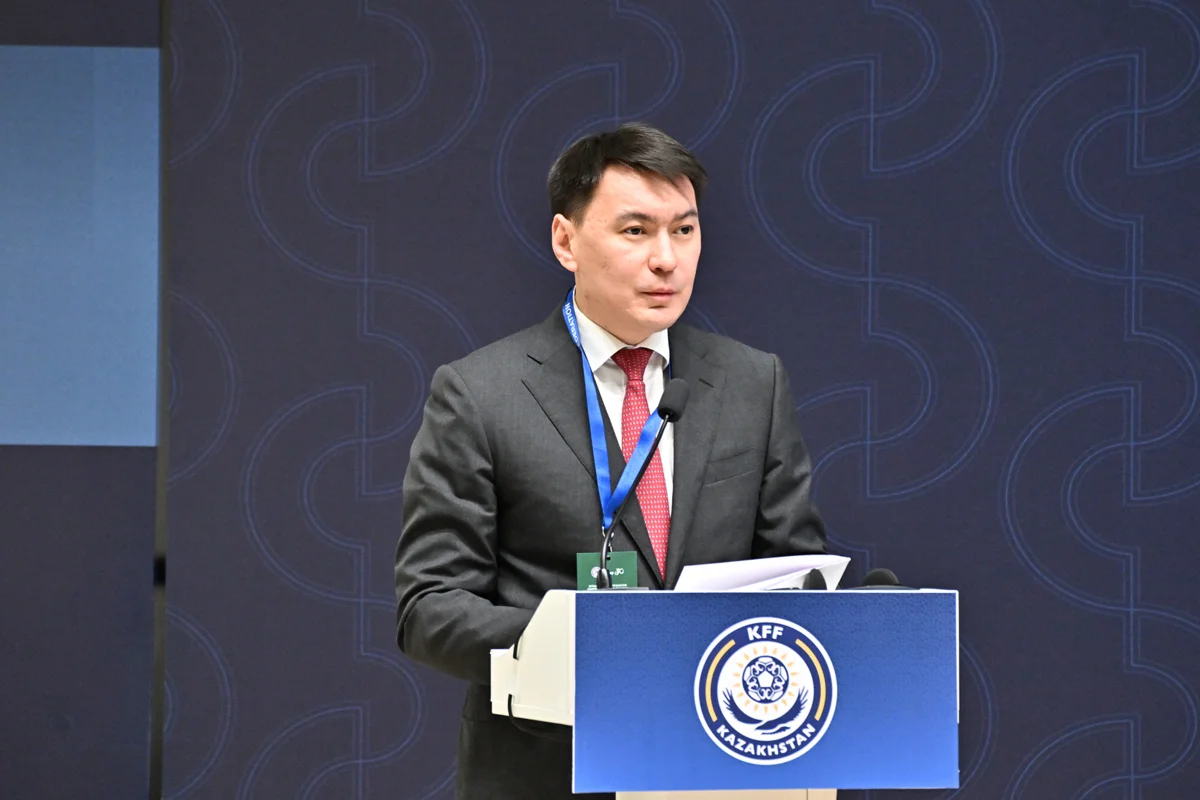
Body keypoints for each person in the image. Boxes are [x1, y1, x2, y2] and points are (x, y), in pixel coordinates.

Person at [394, 122, 827, 800]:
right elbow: (429, 609)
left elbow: (797, 574)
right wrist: (588, 643)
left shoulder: (753, 383)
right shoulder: (480, 394)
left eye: (684, 230)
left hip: (723, 767)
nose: (666, 259)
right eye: (635, 231)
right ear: (566, 241)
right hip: (549, 769)